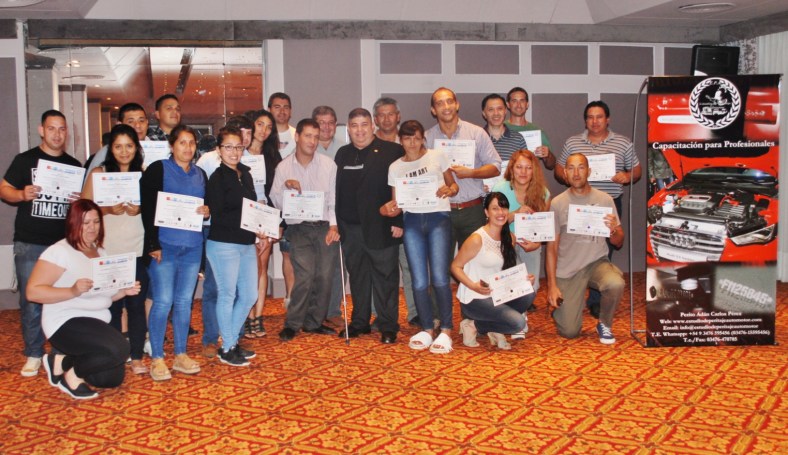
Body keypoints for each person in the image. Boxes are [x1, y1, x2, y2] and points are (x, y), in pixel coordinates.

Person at [26, 199, 141, 399]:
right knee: (121, 348)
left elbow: (104, 295)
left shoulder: (100, 251)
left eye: (96, 222)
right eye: (85, 223)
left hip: (96, 322)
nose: (92, 228)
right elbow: (32, 292)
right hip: (65, 320)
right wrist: (72, 291)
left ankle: (60, 361)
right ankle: (71, 376)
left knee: (110, 379)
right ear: (73, 223)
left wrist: (123, 292)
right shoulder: (59, 251)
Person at [0, 110, 81, 377]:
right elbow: (4, 189)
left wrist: (78, 201)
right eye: (52, 128)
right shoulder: (25, 160)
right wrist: (22, 194)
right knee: (31, 301)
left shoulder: (73, 165)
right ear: (41, 130)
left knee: (62, 300)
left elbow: (81, 207)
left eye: (62, 129)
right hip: (30, 242)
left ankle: (60, 351)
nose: (57, 134)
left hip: (63, 245)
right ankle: (34, 353)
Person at [554, 100, 640, 318]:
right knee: (573, 249)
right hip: (575, 205)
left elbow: (637, 170)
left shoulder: (623, 142)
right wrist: (567, 176)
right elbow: (558, 168)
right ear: (585, 121)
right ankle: (572, 289)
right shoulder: (573, 142)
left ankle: (595, 300)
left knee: (603, 252)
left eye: (599, 117)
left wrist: (627, 176)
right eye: (590, 117)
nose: (594, 121)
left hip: (607, 204)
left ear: (607, 119)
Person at [381, 120, 458, 353]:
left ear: (423, 138)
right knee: (419, 281)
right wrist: (389, 209)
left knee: (440, 278)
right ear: (401, 140)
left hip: (438, 218)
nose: (412, 142)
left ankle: (446, 329)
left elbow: (454, 186)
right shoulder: (395, 167)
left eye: (416, 137)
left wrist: (449, 189)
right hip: (412, 221)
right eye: (407, 138)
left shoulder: (437, 156)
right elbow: (397, 204)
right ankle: (427, 328)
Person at [141, 125, 209, 381]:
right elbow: (148, 209)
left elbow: (206, 207)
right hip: (165, 246)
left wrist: (207, 210)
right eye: (182, 142)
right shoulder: (158, 169)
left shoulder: (200, 174)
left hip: (192, 246)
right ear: (172, 145)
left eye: (191, 143)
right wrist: (152, 244)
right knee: (163, 301)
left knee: (183, 302)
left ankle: (180, 354)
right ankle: (157, 357)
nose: (188, 148)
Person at [82, 124, 149, 375]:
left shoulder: (144, 175)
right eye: (118, 146)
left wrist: (141, 208)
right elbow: (82, 208)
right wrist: (107, 209)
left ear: (136, 148)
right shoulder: (99, 173)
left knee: (136, 305)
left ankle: (137, 356)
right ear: (111, 149)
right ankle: (113, 356)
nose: (124, 151)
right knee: (110, 306)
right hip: (107, 251)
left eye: (129, 146)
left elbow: (154, 209)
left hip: (136, 249)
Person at [335, 108, 404, 344]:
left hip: (382, 226)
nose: (359, 130)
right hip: (350, 229)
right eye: (354, 125)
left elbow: (401, 188)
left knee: (386, 278)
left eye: (364, 124)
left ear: (372, 125)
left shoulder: (392, 151)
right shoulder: (342, 154)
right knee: (358, 277)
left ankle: (388, 325)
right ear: (348, 128)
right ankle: (359, 322)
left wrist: (398, 221)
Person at [271, 119, 340, 341]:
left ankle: (313, 322)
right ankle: (293, 323)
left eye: (316, 137)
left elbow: (334, 199)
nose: (312, 141)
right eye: (308, 136)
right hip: (298, 228)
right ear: (297, 137)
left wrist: (334, 225)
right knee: (305, 275)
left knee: (325, 276)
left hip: (324, 227)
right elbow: (276, 201)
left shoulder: (329, 165)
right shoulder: (283, 167)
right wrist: (286, 188)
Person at [547, 153, 625, 344]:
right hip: (568, 270)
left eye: (581, 167)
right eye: (571, 168)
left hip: (596, 263)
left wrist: (613, 230)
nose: (576, 173)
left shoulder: (605, 199)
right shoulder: (557, 203)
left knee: (615, 283)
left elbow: (618, 241)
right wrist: (551, 286)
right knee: (569, 331)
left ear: (589, 171)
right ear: (565, 173)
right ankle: (563, 308)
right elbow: (551, 248)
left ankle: (604, 324)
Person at [205, 126, 263, 366]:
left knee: (249, 295)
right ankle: (228, 346)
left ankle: (230, 342)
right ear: (219, 150)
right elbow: (218, 215)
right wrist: (250, 224)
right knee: (227, 295)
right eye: (228, 147)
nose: (234, 152)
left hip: (246, 242)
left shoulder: (246, 174)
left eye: (238, 147)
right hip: (223, 243)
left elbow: (252, 208)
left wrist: (260, 226)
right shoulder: (217, 178)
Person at [451, 192, 533, 350]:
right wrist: (473, 286)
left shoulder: (509, 237)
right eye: (495, 208)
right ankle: (474, 325)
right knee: (518, 323)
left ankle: (485, 325)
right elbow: (455, 266)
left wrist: (523, 280)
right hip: (475, 297)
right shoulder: (477, 239)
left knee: (528, 292)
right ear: (486, 212)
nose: (500, 212)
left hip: (498, 293)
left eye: (504, 208)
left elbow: (508, 271)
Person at [425, 87, 501, 251]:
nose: (446, 107)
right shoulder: (427, 138)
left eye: (449, 101)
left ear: (457, 104)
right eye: (440, 103)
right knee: (442, 262)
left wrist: (471, 173)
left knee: (474, 262)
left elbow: (496, 167)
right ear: (433, 110)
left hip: (473, 210)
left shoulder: (476, 133)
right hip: (442, 210)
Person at [492, 149, 551, 331]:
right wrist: (516, 213)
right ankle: (516, 317)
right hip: (505, 242)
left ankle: (518, 311)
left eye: (528, 168)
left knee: (532, 285)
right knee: (513, 281)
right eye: (519, 167)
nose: (523, 172)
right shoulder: (500, 189)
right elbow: (492, 222)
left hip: (530, 244)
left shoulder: (543, 193)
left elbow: (544, 226)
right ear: (512, 168)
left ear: (534, 170)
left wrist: (537, 243)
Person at [373, 97, 420, 327]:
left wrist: (399, 219)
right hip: (378, 219)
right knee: (381, 271)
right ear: (375, 119)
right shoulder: (369, 145)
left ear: (398, 116)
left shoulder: (408, 144)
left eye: (390, 113)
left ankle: (416, 313)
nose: (386, 118)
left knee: (411, 267)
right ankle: (381, 315)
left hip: (408, 218)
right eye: (381, 114)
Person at [244, 110, 283, 338]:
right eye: (260, 124)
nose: (264, 130)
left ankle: (258, 317)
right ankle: (247, 316)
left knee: (261, 267)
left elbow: (276, 193)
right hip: (243, 216)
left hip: (265, 215)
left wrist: (278, 222)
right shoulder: (238, 152)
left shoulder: (272, 156)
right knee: (248, 268)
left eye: (269, 127)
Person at [312, 105, 347, 328]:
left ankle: (333, 310)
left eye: (330, 122)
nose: (326, 127)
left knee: (336, 267)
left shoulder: (345, 150)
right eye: (321, 123)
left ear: (336, 125)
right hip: (312, 216)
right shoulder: (306, 147)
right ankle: (313, 312)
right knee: (312, 268)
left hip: (338, 216)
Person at [267, 92, 296, 309]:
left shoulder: (297, 135)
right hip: (268, 203)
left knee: (289, 251)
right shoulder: (264, 136)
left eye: (286, 106)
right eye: (277, 106)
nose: (282, 111)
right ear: (270, 109)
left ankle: (291, 298)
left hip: (293, 204)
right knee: (262, 254)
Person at [86, 102, 152, 175]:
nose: (137, 125)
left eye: (141, 121)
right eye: (130, 121)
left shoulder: (158, 149)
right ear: (120, 124)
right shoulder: (105, 152)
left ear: (147, 122)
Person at [504, 87, 556, 170]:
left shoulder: (537, 130)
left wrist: (548, 155)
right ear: (508, 104)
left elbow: (551, 165)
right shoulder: (500, 128)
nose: (518, 105)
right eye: (514, 101)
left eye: (522, 101)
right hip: (505, 176)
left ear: (527, 104)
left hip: (531, 177)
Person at [482, 94, 527, 162]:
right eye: (491, 110)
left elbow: (525, 165)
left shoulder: (518, 139)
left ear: (505, 111)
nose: (496, 113)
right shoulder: (477, 139)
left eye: (500, 109)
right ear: (484, 113)